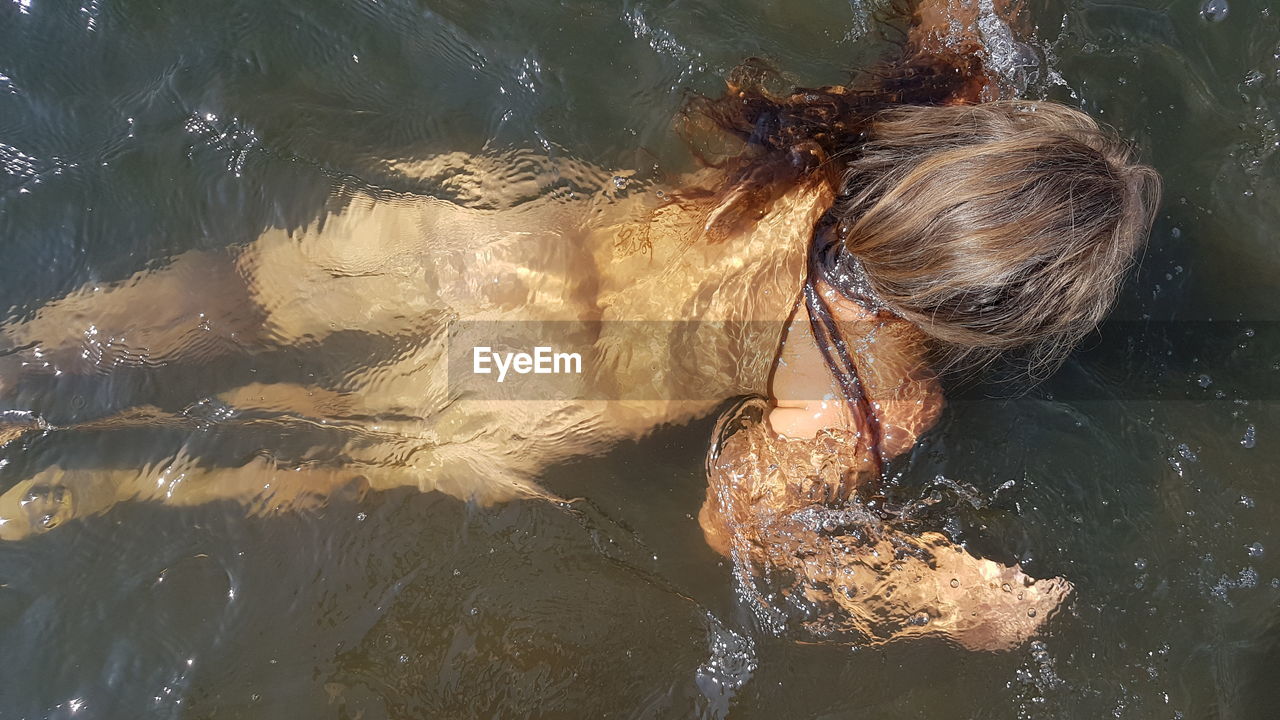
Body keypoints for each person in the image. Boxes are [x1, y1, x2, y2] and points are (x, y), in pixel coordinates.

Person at [0, 0, 1159, 650]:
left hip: (510, 244)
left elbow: (961, 19)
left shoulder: (901, 120)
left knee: (232, 293)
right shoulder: (863, 386)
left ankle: (22, 355)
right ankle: (59, 490)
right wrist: (946, 600)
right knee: (326, 442)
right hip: (548, 367)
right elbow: (737, 525)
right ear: (983, 318)